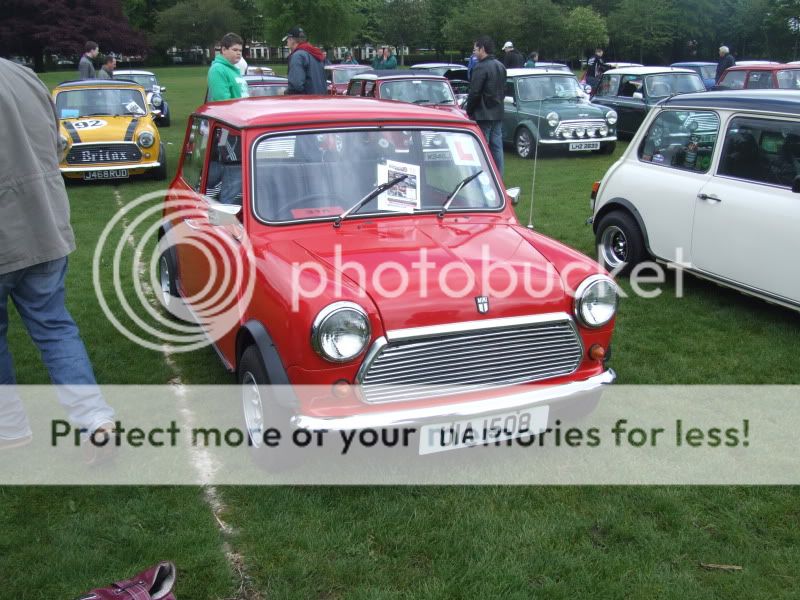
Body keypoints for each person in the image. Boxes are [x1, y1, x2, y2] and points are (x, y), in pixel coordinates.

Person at [0, 58, 115, 458]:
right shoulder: (20, 73)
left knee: (49, 326)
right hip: (45, 221)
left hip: (12, 229)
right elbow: (57, 142)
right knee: (55, 326)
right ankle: (95, 419)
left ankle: (10, 429)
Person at [466, 36, 507, 175]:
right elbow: (503, 90)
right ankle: (498, 177)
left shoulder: (481, 67)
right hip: (497, 112)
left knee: (481, 147)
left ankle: (483, 176)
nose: (474, 53)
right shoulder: (500, 65)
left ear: (482, 49)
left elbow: (475, 92)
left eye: (475, 49)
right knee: (497, 147)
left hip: (483, 114)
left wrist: (468, 111)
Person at [283, 26, 327, 95]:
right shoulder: (315, 53)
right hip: (320, 99)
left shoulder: (298, 56)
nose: (287, 41)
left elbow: (296, 84)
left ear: (292, 40)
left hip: (305, 102)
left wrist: (287, 92)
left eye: (288, 39)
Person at [207, 32, 249, 102]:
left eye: (240, 50)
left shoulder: (234, 69)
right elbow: (223, 102)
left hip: (243, 111)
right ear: (224, 50)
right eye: (235, 50)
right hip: (231, 112)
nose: (239, 53)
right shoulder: (218, 69)